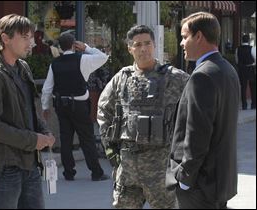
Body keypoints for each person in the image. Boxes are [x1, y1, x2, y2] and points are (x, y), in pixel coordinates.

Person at [97, 25, 189, 209]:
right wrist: (111, 151)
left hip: (161, 168)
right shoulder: (121, 78)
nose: (143, 49)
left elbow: (195, 115)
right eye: (137, 44)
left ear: (155, 45)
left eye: (147, 43)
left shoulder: (176, 78)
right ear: (130, 48)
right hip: (128, 169)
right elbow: (103, 112)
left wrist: (183, 156)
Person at [0, 14, 55, 209]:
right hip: (4, 164)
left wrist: (44, 132)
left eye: (31, 37)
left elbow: (30, 107)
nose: (31, 43)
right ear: (5, 38)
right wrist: (33, 140)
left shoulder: (22, 67)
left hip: (29, 162)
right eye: (24, 37)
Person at [165, 12, 240, 209]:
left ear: (198, 37)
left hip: (200, 185)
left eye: (184, 36)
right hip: (218, 182)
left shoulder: (203, 76)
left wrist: (185, 178)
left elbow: (197, 135)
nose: (181, 43)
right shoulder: (227, 69)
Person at [41, 33, 109, 181]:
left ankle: (69, 172)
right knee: (87, 138)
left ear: (60, 47)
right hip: (79, 104)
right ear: (74, 45)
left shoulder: (55, 63)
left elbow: (47, 88)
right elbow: (103, 57)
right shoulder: (83, 59)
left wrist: (45, 107)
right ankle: (96, 172)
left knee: (65, 138)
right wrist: (86, 47)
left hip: (61, 104)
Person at [235, 34, 256, 110]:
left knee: (243, 88)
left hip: (242, 70)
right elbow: (255, 59)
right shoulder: (252, 48)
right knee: (253, 87)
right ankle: (253, 104)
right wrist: (253, 64)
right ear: (249, 40)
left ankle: (244, 105)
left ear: (242, 40)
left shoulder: (238, 49)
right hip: (250, 68)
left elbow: (237, 60)